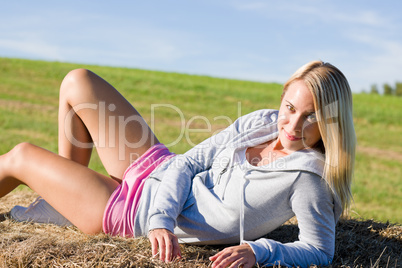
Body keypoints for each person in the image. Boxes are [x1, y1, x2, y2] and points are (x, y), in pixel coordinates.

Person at [0, 60, 356, 268]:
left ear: (333, 124)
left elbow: (319, 250)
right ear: (283, 98)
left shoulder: (308, 180)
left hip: (131, 210)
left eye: (312, 118)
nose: (293, 126)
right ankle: (64, 196)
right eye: (291, 109)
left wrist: (259, 250)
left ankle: (71, 198)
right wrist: (163, 218)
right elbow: (187, 163)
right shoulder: (259, 122)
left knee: (20, 156)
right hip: (157, 168)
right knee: (78, 81)